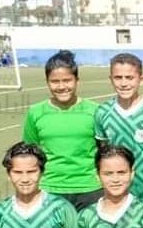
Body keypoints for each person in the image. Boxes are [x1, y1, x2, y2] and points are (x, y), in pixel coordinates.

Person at [22, 50, 102, 210]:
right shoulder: (35, 113)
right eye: (55, 81)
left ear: (77, 80)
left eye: (67, 80)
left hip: (90, 188)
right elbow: (30, 153)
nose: (61, 86)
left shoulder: (95, 111)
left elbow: (105, 151)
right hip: (50, 189)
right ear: (47, 82)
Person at [94, 53, 143, 210]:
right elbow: (103, 152)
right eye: (118, 78)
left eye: (129, 78)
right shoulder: (103, 112)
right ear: (111, 79)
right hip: (117, 195)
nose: (123, 83)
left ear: (141, 80)